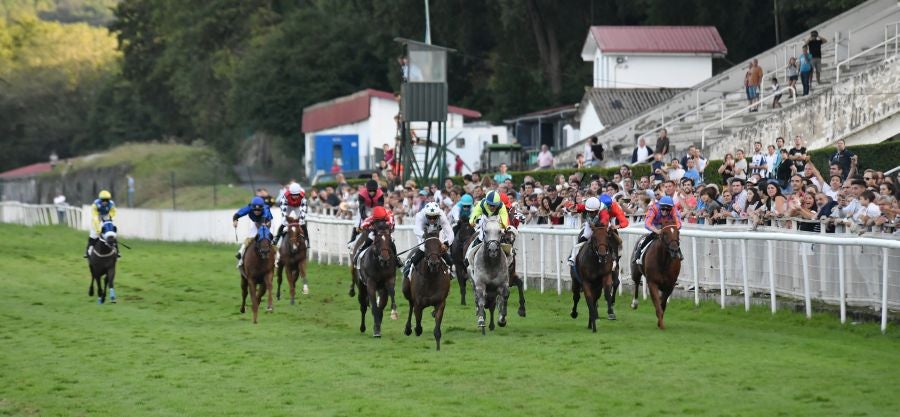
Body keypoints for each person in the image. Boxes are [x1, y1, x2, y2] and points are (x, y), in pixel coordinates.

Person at [403, 202, 454, 279]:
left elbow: (450, 233)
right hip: (424, 234)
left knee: (440, 249)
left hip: (438, 234)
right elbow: (417, 230)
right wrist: (427, 237)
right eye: (429, 217)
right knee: (423, 248)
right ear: (425, 215)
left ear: (438, 215)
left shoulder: (442, 216)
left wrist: (446, 244)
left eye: (435, 217)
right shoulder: (420, 216)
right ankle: (410, 264)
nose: (432, 220)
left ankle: (449, 269)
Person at [464, 190, 510, 267]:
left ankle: (510, 257)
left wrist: (504, 227)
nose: (492, 207)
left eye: (494, 205)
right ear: (486, 202)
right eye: (490, 205)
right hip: (485, 223)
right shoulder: (481, 204)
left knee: (504, 239)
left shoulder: (501, 206)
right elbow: (474, 214)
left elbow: (505, 218)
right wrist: (472, 221)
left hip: (497, 223)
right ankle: (468, 257)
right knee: (481, 237)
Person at [634, 196, 682, 265]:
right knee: (651, 236)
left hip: (667, 225)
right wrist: (656, 231)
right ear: (660, 207)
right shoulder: (654, 208)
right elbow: (647, 223)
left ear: (671, 208)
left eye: (667, 210)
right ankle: (639, 251)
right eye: (663, 209)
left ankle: (679, 252)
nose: (665, 212)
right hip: (655, 225)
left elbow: (679, 224)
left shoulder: (674, 209)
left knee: (674, 238)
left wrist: (671, 230)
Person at [566, 197, 609, 267]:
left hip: (602, 226)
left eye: (593, 212)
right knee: (585, 236)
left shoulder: (604, 211)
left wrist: (595, 227)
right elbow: (577, 207)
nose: (590, 213)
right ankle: (572, 258)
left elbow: (604, 222)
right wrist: (570, 207)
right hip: (590, 224)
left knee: (608, 237)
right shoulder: (587, 206)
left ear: (598, 209)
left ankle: (614, 257)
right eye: (588, 211)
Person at [232, 196, 273, 265]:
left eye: (259, 210)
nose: (257, 212)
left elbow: (263, 221)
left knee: (268, 238)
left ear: (262, 208)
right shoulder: (249, 208)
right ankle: (241, 253)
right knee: (250, 237)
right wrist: (235, 220)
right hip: (256, 222)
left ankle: (277, 257)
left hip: (267, 222)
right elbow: (237, 214)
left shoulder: (265, 209)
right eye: (255, 210)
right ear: (252, 207)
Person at [348, 180, 384, 249]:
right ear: (367, 190)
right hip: (365, 207)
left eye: (373, 191)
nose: (371, 193)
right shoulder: (362, 194)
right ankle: (353, 239)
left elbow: (380, 208)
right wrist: (366, 220)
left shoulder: (380, 194)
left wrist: (374, 219)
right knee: (358, 221)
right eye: (370, 191)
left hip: (375, 207)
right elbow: (362, 210)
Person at [85, 190, 118, 258]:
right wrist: (98, 230)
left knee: (111, 231)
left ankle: (116, 250)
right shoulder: (95, 205)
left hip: (106, 215)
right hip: (97, 216)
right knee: (93, 233)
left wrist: (110, 217)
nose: (105, 202)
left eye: (107, 200)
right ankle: (88, 250)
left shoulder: (111, 204)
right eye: (103, 200)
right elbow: (95, 219)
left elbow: (113, 212)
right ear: (100, 200)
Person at [274, 183, 309, 247]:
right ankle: (277, 238)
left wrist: (301, 218)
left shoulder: (303, 196)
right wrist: (284, 218)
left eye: (297, 195)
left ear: (299, 193)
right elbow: (283, 208)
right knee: (283, 222)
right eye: (293, 195)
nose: (295, 196)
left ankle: (307, 239)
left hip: (298, 207)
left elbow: (303, 209)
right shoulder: (285, 195)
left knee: (302, 222)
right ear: (290, 193)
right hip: (288, 206)